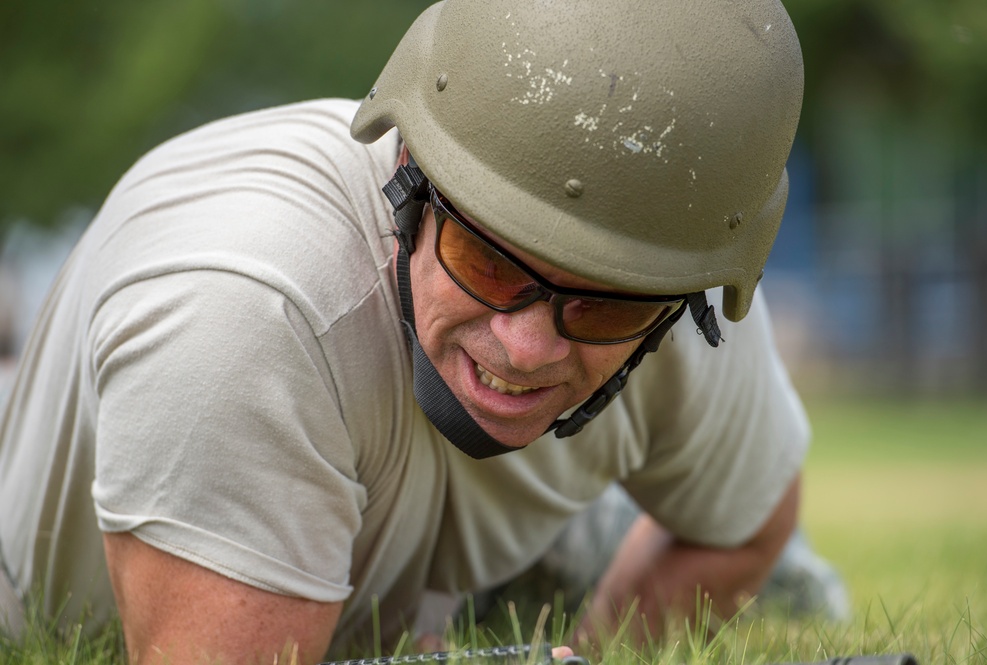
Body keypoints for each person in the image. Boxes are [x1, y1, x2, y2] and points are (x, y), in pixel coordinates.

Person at [0, 0, 847, 662]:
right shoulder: (245, 309)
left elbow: (741, 528)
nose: (526, 348)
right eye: (489, 261)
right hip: (235, 468)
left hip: (470, 558)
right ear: (408, 168)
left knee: (791, 587)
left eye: (604, 305)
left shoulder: (670, 258)